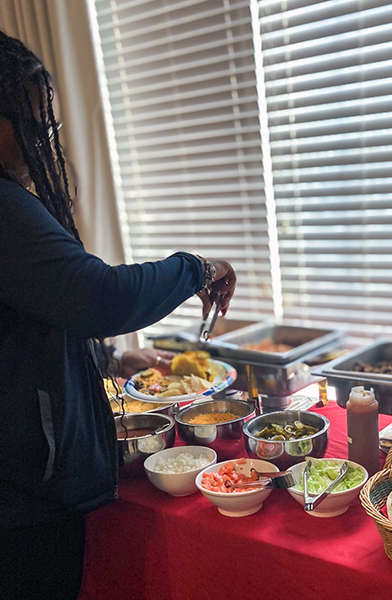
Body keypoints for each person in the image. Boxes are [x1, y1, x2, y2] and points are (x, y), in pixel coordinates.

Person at [0, 31, 236, 599]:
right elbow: (97, 297)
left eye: (46, 127)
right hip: (18, 501)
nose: (43, 141)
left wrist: (111, 359)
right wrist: (196, 267)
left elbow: (32, 321)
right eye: (32, 126)